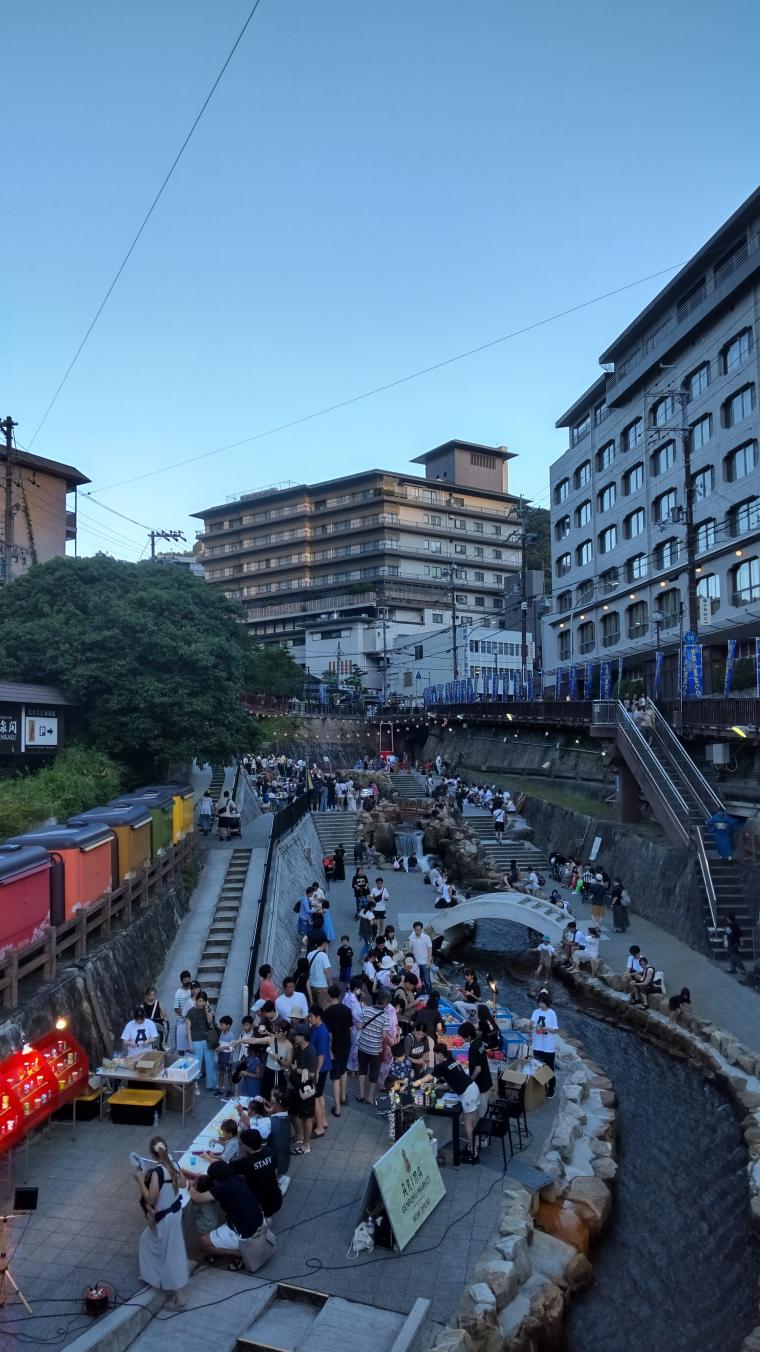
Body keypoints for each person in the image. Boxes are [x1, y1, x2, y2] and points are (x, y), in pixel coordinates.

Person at [134, 1136, 188, 1308]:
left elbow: (150, 1199)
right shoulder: (174, 1165)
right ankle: (153, 1277)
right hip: (175, 1212)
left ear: (152, 1153)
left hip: (165, 1218)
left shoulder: (158, 1172)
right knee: (148, 1240)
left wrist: (140, 1181)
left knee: (171, 1253)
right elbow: (183, 1184)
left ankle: (180, 1297)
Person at [189, 1161, 264, 1264]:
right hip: (258, 1222)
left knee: (203, 1242)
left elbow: (197, 1198)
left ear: (216, 1180)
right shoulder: (238, 1179)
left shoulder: (222, 1188)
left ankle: (238, 1253)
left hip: (246, 1234)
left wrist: (190, 1186)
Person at [432, 1045, 481, 1160]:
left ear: (439, 1054)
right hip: (473, 1088)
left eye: (435, 1053)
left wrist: (418, 1081)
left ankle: (473, 1151)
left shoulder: (441, 1066)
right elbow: (453, 1080)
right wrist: (440, 1086)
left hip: (468, 1094)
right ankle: (475, 1145)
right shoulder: (451, 1060)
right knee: (474, 1121)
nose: (435, 1056)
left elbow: (430, 1076)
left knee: (468, 1124)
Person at [233, 1129, 282, 1217]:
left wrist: (209, 1157)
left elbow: (225, 1167)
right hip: (276, 1197)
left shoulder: (245, 1163)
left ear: (246, 1146)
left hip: (261, 1203)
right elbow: (275, 1171)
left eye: (242, 1144)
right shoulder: (270, 1151)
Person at [322, 984, 353, 1118]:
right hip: (346, 1045)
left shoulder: (328, 1012)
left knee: (335, 1077)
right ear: (339, 995)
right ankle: (343, 1096)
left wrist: (329, 1051)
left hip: (334, 1048)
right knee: (343, 1071)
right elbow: (350, 1028)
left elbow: (328, 1034)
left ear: (329, 996)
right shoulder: (346, 1010)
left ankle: (338, 1108)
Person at [290, 1024, 318, 1155]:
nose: (294, 1037)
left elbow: (312, 1074)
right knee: (294, 1113)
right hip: (296, 1087)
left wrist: (296, 1069)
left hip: (307, 1090)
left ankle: (306, 1145)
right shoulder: (298, 1048)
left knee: (307, 1117)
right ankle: (299, 1136)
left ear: (303, 1037)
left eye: (297, 1035)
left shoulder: (311, 1051)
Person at [355, 995, 388, 1106]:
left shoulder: (366, 1010)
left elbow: (359, 1025)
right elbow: (383, 1036)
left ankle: (361, 1095)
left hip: (363, 1046)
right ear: (385, 1004)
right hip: (375, 1050)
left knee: (362, 1070)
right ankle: (370, 1097)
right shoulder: (385, 1017)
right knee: (374, 1073)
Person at [459, 1020, 493, 1121]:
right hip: (487, 1079)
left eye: (463, 1037)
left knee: (482, 1112)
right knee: (485, 1109)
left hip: (481, 1084)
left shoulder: (473, 1048)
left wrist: (469, 1081)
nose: (463, 1039)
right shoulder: (480, 1042)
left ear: (468, 1037)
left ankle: (483, 1135)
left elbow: (477, 1069)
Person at [186, 991, 218, 1091]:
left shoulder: (206, 1009)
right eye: (199, 1001)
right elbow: (188, 1029)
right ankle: (194, 1085)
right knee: (196, 1064)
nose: (201, 1003)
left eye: (203, 1001)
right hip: (196, 1040)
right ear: (196, 1000)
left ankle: (211, 1084)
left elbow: (209, 1022)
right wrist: (190, 1044)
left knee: (210, 1062)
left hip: (207, 1039)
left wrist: (207, 1011)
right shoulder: (190, 1012)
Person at [308, 1004, 331, 1137]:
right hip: (322, 1067)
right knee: (320, 1095)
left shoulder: (322, 1032)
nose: (309, 1019)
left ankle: (320, 1127)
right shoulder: (318, 1028)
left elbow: (321, 1055)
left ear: (318, 1017)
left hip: (320, 1068)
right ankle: (323, 1120)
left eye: (311, 1017)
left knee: (316, 1097)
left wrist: (316, 1071)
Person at [530, 993, 558, 1097]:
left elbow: (555, 1030)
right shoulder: (535, 1012)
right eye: (539, 1003)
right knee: (537, 1067)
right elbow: (532, 1024)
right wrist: (531, 1025)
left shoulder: (552, 1013)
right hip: (537, 1045)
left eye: (542, 1003)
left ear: (547, 1003)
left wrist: (546, 1028)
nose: (540, 1005)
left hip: (548, 1047)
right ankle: (540, 1087)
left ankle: (551, 1088)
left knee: (550, 1069)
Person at [267, 1088, 292, 1195]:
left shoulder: (274, 1122)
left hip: (276, 1158)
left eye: (272, 1098)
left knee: (274, 1174)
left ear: (278, 1103)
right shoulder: (285, 1116)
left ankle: (276, 1185)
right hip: (283, 1156)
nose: (270, 1098)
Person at [261, 1022, 293, 1100]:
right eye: (275, 1030)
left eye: (278, 1031)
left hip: (277, 1072)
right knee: (264, 1094)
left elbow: (288, 1064)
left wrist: (277, 1057)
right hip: (267, 1070)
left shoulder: (289, 1046)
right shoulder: (272, 1039)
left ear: (285, 1033)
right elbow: (255, 1040)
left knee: (275, 1096)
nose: (276, 1032)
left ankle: (274, 1111)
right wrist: (239, 1041)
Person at [307, 938, 332, 1010]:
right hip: (322, 986)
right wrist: (330, 982)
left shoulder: (309, 954)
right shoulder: (324, 956)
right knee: (322, 1007)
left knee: (314, 1006)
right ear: (324, 943)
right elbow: (326, 971)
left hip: (311, 984)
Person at [408, 922, 433, 995]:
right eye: (416, 930)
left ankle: (429, 994)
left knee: (427, 980)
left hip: (425, 962)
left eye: (419, 930)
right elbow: (411, 950)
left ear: (421, 929)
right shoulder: (412, 938)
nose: (417, 931)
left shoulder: (426, 937)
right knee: (419, 980)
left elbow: (429, 948)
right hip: (416, 963)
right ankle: (421, 994)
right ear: (414, 929)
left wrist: (429, 960)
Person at [173, 970, 194, 1052]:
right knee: (182, 1047)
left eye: (188, 980)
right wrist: (185, 1015)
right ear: (181, 981)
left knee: (190, 1047)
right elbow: (176, 1008)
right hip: (182, 1023)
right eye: (185, 981)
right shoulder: (178, 993)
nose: (187, 982)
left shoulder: (192, 990)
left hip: (192, 1022)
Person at [215, 1016, 236, 1098]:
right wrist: (218, 1048)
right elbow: (220, 1044)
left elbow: (233, 1047)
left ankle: (229, 1090)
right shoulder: (221, 1033)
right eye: (220, 1025)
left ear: (228, 1025)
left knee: (229, 1075)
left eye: (222, 1025)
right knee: (221, 1073)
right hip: (221, 1057)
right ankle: (220, 1089)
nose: (221, 1026)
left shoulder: (231, 1035)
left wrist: (223, 1048)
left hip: (227, 1058)